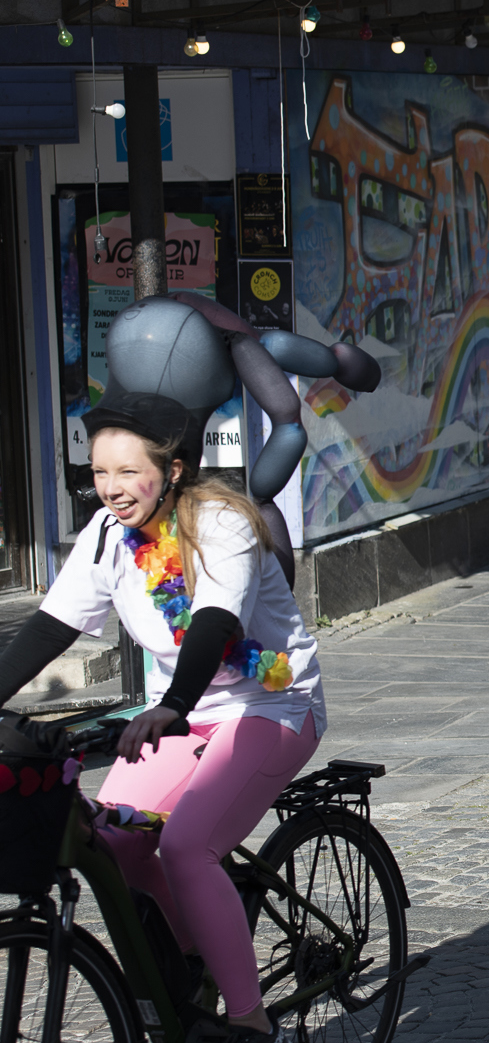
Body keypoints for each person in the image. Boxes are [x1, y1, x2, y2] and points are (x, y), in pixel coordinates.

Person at [0, 392, 325, 1042]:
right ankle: (190, 967)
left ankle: (248, 1021)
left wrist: (173, 706)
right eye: (99, 472)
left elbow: (214, 623)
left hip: (268, 704)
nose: (111, 488)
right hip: (179, 711)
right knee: (113, 842)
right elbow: (53, 627)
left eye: (128, 472)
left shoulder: (222, 525)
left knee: (185, 847)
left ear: (173, 470)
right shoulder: (107, 535)